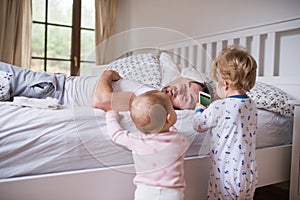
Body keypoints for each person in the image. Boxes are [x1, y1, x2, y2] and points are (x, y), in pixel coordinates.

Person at [0, 61, 209, 110]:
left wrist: (107, 74)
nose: (180, 90)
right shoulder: (152, 91)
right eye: (185, 84)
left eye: (187, 97)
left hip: (56, 89)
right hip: (55, 84)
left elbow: (102, 100)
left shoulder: (152, 99)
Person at [192, 45, 258, 199]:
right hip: (249, 172)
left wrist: (200, 108)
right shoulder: (252, 105)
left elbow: (198, 124)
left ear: (225, 84)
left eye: (217, 83)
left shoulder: (218, 106)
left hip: (225, 174)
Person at [106, 90, 190, 200]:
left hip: (145, 192)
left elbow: (116, 135)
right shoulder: (179, 140)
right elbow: (186, 142)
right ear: (169, 118)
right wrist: (171, 129)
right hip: (172, 193)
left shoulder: (136, 140)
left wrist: (111, 115)